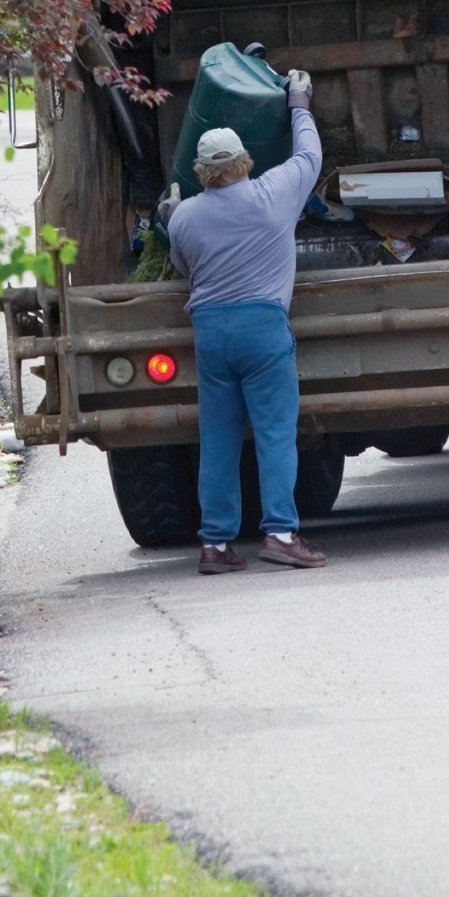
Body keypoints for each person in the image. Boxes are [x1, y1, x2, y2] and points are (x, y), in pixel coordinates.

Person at [161, 69, 327, 574]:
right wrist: (298, 102)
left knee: (218, 439)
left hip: (210, 333)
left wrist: (169, 213)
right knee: (275, 433)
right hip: (262, 328)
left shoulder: (185, 216)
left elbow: (185, 267)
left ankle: (214, 544)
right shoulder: (275, 193)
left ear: (203, 171)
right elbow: (309, 157)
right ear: (244, 162)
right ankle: (279, 533)